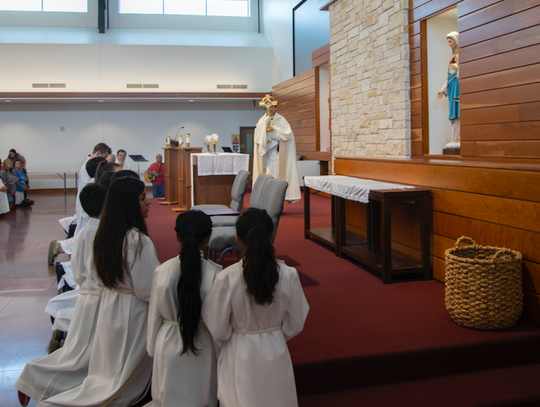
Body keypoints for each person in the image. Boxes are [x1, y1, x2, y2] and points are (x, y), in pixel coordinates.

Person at [39, 177, 160, 407]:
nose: (148, 203)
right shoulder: (137, 239)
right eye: (143, 198)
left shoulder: (105, 233)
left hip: (109, 305)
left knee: (106, 371)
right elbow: (146, 288)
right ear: (129, 203)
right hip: (132, 311)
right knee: (118, 383)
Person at [202, 208, 309, 407]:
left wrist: (234, 336)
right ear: (271, 236)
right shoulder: (289, 274)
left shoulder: (227, 277)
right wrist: (273, 335)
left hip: (239, 349)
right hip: (275, 346)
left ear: (238, 239)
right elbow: (297, 320)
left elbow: (216, 326)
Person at [15, 183, 108, 406]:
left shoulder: (86, 232)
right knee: (82, 358)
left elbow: (77, 271)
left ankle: (34, 376)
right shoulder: (101, 233)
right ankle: (34, 376)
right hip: (98, 299)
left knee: (79, 355)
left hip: (88, 295)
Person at [147, 210, 221, 407]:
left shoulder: (161, 271)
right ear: (208, 238)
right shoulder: (216, 274)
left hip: (168, 341)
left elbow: (154, 315)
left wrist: (153, 347)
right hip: (203, 344)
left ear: (177, 236)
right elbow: (219, 322)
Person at [254, 95, 301, 202]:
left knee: (277, 176)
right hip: (267, 154)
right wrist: (264, 127)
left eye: (272, 106)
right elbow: (257, 137)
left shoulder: (281, 120)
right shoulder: (261, 120)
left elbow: (287, 135)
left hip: (279, 155)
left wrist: (271, 130)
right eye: (267, 106)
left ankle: (278, 200)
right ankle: (267, 200)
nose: (270, 108)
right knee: (267, 176)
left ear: (276, 107)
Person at [436, 31, 460, 149]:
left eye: (450, 42)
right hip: (451, 85)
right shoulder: (452, 56)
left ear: (456, 41)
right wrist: (442, 89)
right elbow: (449, 74)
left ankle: (459, 137)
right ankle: (454, 138)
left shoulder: (462, 55)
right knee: (453, 111)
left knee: (459, 110)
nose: (449, 44)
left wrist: (457, 68)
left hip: (458, 84)